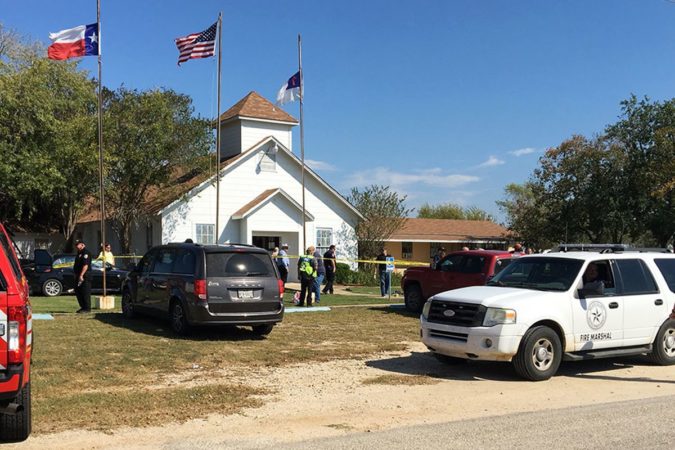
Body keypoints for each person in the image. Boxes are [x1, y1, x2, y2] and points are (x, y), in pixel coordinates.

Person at [73, 239, 93, 313]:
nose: (76, 246)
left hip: (85, 275)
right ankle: (83, 307)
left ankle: (87, 308)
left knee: (85, 292)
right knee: (78, 291)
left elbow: (85, 265)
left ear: (82, 245)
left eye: (78, 244)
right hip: (78, 275)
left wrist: (81, 275)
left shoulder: (86, 253)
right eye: (76, 245)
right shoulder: (79, 253)